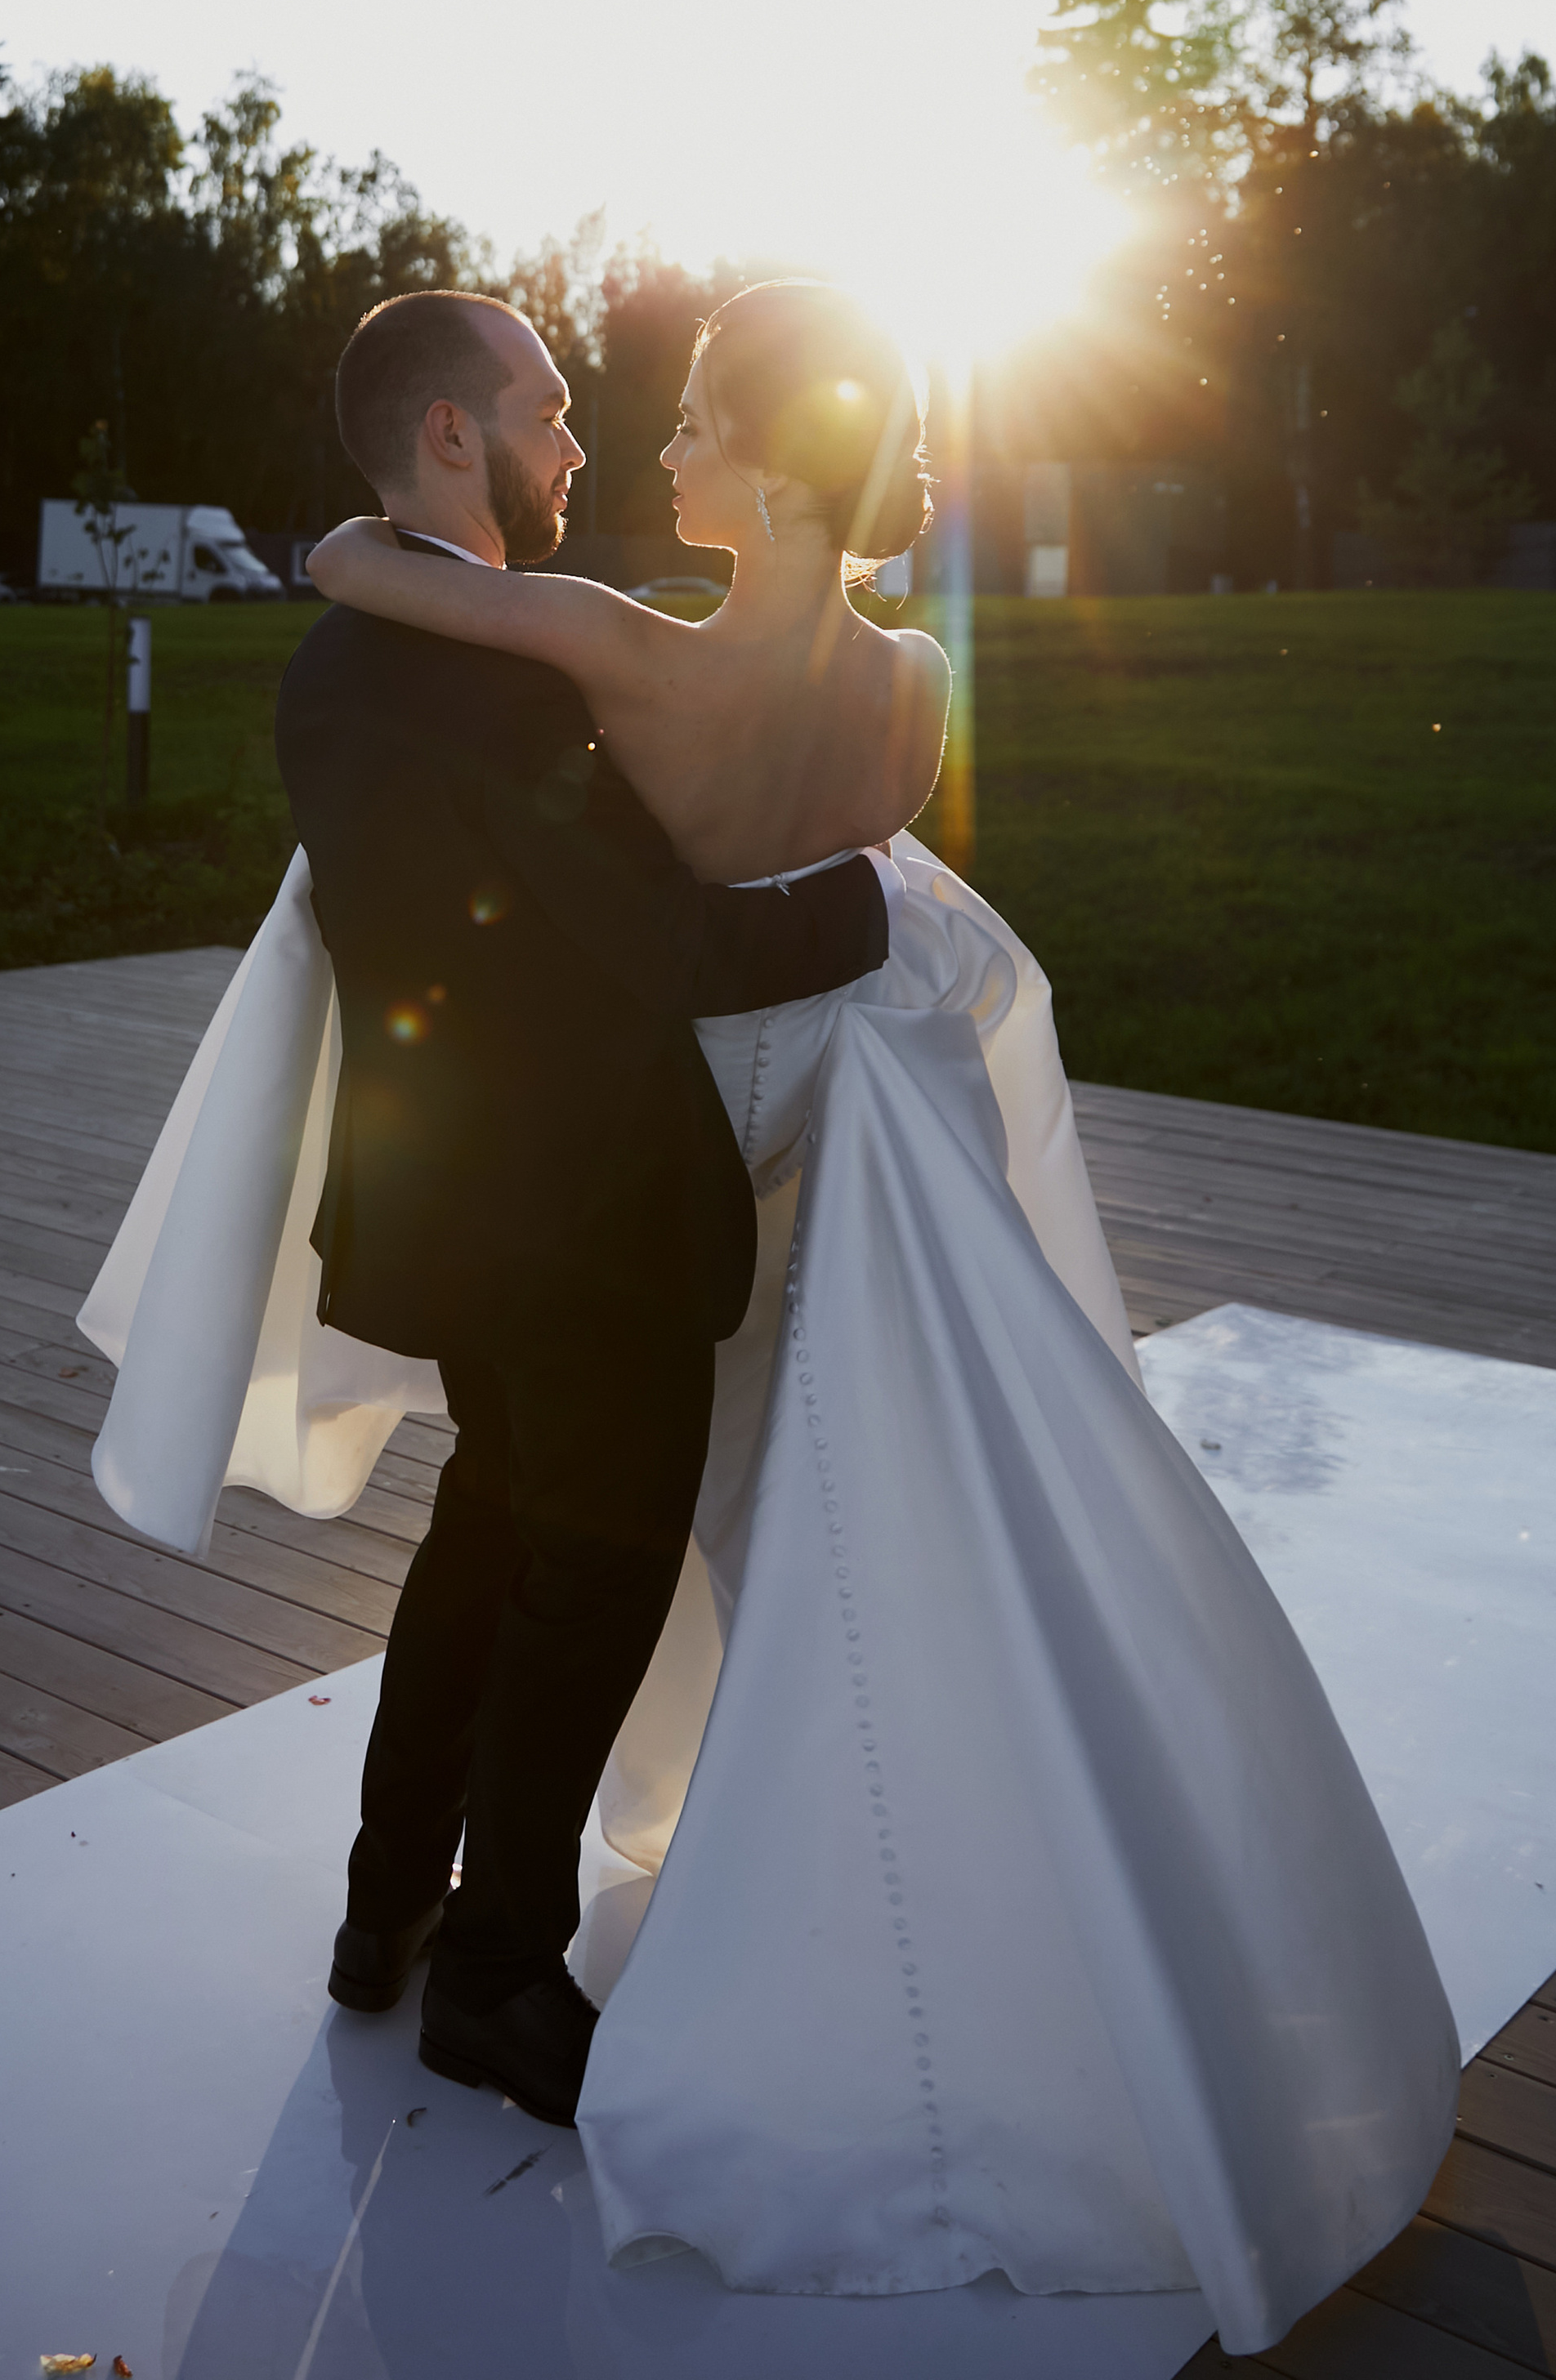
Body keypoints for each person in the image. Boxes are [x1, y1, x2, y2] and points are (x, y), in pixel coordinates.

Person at [297, 278, 1461, 2350]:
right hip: (813, 1148)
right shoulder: (914, 678)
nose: (635, 443)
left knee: (566, 1526)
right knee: (720, 1519)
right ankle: (487, 1922)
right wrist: (857, 900)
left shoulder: (613, 650)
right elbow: (826, 893)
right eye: (577, 413)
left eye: (682, 422)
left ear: (763, 457)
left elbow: (383, 597)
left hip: (643, 1162)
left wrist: (346, 539)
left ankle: (446, 1920)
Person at [271, 288, 900, 2131]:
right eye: (543, 411)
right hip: (581, 1214)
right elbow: (671, 944)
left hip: (454, 1198)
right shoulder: (505, 686)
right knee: (596, 1569)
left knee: (488, 1524)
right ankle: (494, 1976)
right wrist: (883, 906)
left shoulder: (339, 662)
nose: (573, 445)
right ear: (450, 436)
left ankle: (387, 1902)